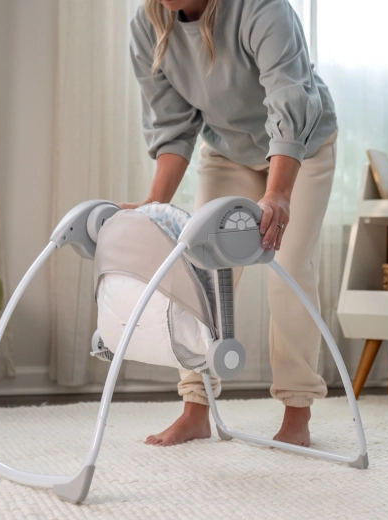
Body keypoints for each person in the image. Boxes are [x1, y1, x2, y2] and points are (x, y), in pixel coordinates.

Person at [122, 0, 338, 448]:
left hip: (301, 148)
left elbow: (289, 97)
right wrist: (153, 207)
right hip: (229, 153)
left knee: (289, 270)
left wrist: (279, 193)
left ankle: (297, 411)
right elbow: (173, 126)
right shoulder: (148, 26)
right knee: (199, 270)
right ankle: (195, 409)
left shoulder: (261, 8)